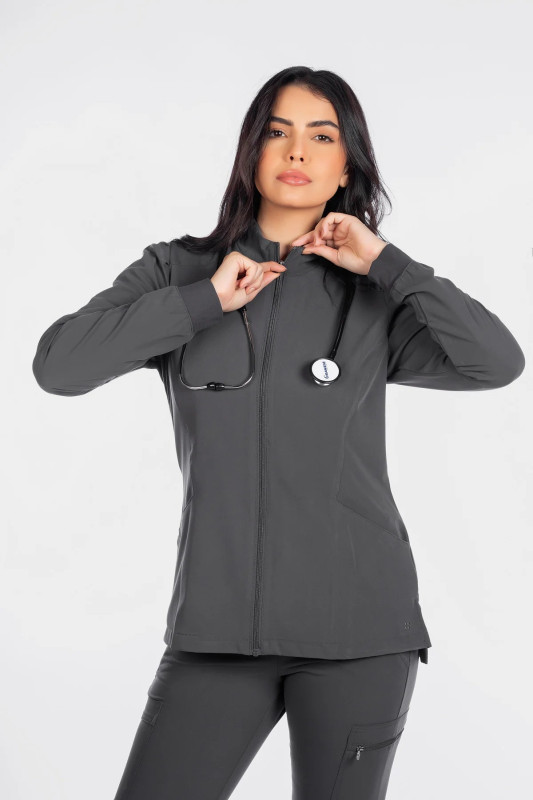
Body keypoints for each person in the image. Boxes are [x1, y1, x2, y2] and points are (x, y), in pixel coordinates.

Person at [32, 67, 525, 800]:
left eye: (322, 136)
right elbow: (59, 367)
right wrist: (204, 301)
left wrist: (386, 264)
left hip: (358, 634)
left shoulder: (375, 295)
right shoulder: (176, 270)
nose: (297, 151)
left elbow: (496, 362)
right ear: (250, 152)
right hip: (217, 636)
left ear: (346, 166)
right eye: (277, 131)